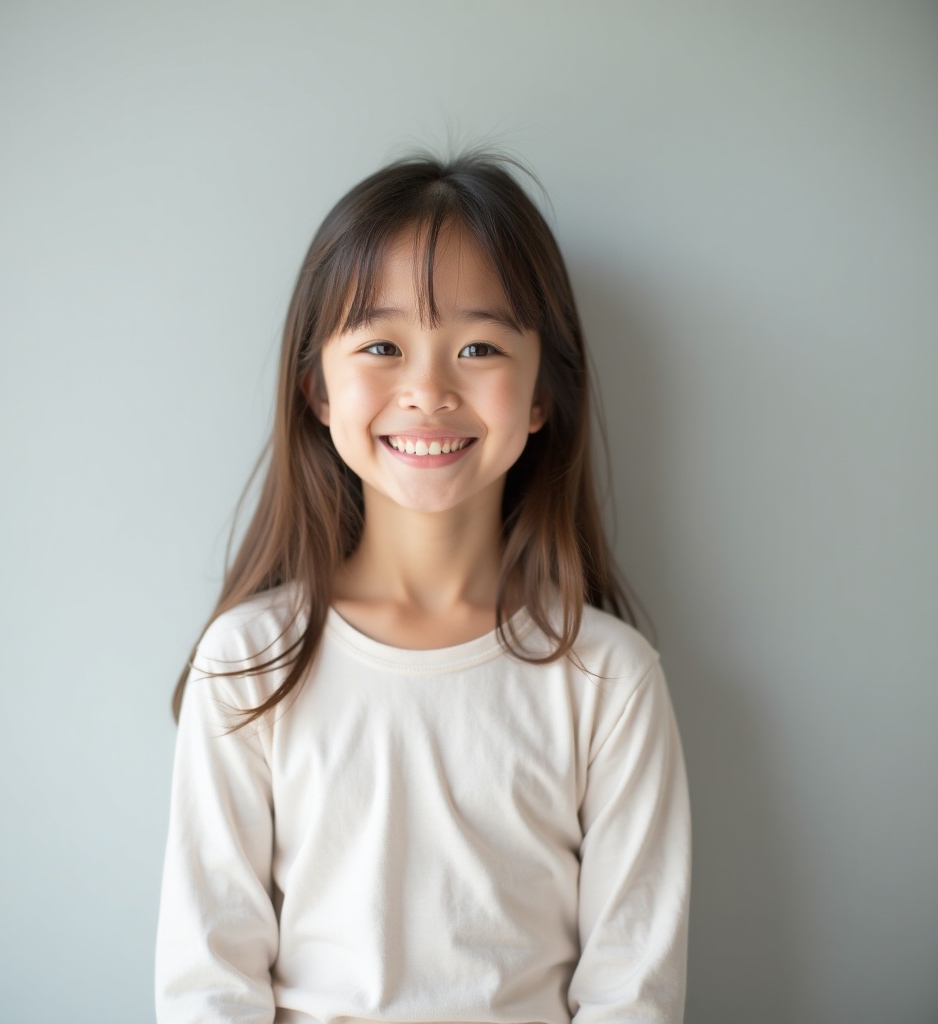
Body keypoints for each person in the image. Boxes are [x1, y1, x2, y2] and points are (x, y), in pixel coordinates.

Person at [155, 151, 691, 1024]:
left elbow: (634, 992)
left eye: (478, 346)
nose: (429, 389)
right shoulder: (252, 663)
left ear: (541, 397)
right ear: (317, 391)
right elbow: (208, 981)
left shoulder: (609, 679)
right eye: (381, 346)